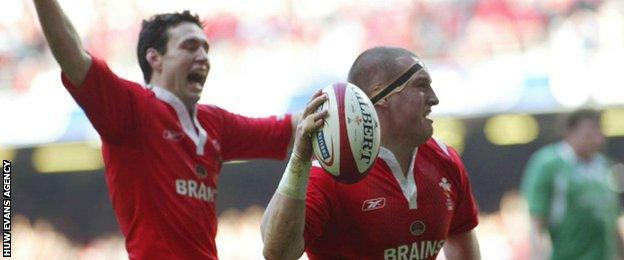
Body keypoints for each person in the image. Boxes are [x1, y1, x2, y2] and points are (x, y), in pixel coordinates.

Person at [32, 1, 299, 259]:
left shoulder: (215, 123)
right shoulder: (131, 109)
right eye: (190, 47)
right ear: (155, 58)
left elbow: (291, 129)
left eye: (206, 48)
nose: (203, 57)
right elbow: (72, 55)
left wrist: (339, 97)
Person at [261, 46, 481, 260]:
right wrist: (299, 160)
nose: (434, 99)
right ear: (381, 95)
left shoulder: (446, 161)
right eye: (421, 85)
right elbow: (277, 253)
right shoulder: (329, 174)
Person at [521, 109, 624, 260]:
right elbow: (536, 222)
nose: (597, 140)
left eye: (599, 133)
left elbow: (611, 222)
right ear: (570, 133)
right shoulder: (549, 164)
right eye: (589, 135)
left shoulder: (605, 166)